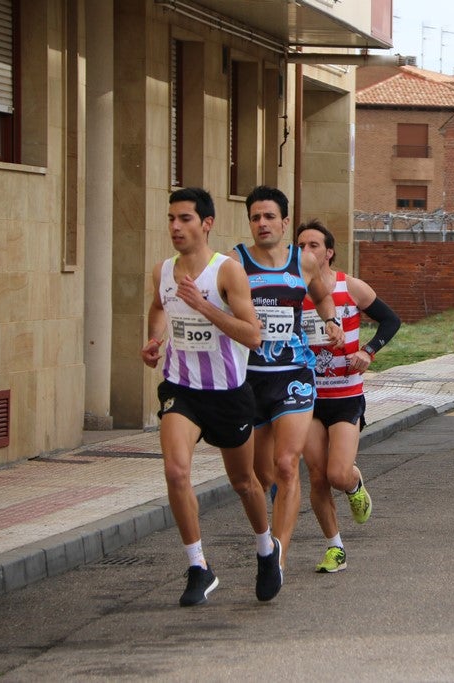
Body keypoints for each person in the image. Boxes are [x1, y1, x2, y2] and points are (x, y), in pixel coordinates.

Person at [141, 187, 279, 606]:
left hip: (227, 393)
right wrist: (154, 338)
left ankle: (266, 549)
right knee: (176, 472)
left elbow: (253, 336)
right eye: (170, 219)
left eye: (184, 219)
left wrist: (204, 307)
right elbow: (159, 307)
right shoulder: (163, 271)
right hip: (181, 390)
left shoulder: (227, 272)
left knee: (244, 482)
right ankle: (198, 566)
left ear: (207, 223)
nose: (176, 227)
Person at [228, 186, 343, 579]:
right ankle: (268, 541)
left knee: (287, 465)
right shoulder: (235, 262)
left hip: (294, 375)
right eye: (255, 217)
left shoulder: (304, 261)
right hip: (249, 379)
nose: (262, 224)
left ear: (284, 221)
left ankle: (277, 558)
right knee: (263, 476)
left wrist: (330, 321)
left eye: (269, 217)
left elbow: (323, 297)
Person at [296, 220, 401, 572]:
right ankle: (335, 547)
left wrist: (368, 352)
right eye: (301, 245)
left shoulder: (350, 287)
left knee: (337, 474)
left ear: (329, 252)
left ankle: (354, 484)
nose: (306, 251)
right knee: (316, 474)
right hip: (307, 398)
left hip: (345, 394)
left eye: (314, 245)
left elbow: (391, 320)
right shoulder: (293, 292)